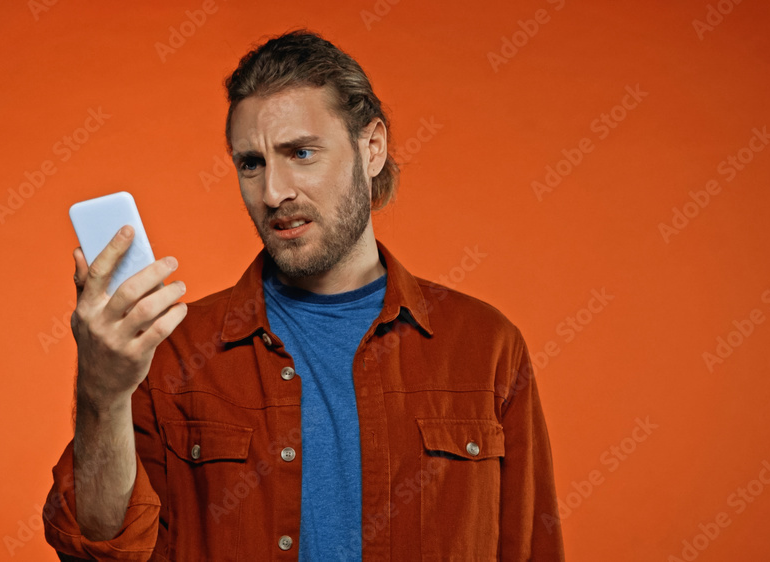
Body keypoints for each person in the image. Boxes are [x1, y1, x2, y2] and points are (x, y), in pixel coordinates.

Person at [43, 28, 565, 561]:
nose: (274, 193)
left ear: (372, 148)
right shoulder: (171, 350)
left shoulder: (485, 345)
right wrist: (102, 395)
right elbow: (101, 550)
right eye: (252, 163)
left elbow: (532, 547)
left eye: (302, 152)